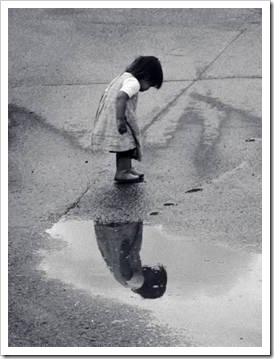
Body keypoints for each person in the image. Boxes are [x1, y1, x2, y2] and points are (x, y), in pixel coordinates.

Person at [92, 56, 163, 183]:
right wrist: (120, 119)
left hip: (111, 114)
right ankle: (122, 172)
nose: (147, 89)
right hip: (119, 116)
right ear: (145, 76)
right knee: (126, 145)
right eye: (150, 85)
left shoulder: (123, 76)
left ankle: (127, 169)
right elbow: (121, 96)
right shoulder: (134, 82)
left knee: (125, 144)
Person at [94, 221, 167, 299]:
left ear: (151, 282)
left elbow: (125, 272)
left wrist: (124, 250)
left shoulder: (137, 282)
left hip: (120, 236)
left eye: (154, 273)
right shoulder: (128, 284)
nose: (152, 268)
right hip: (107, 236)